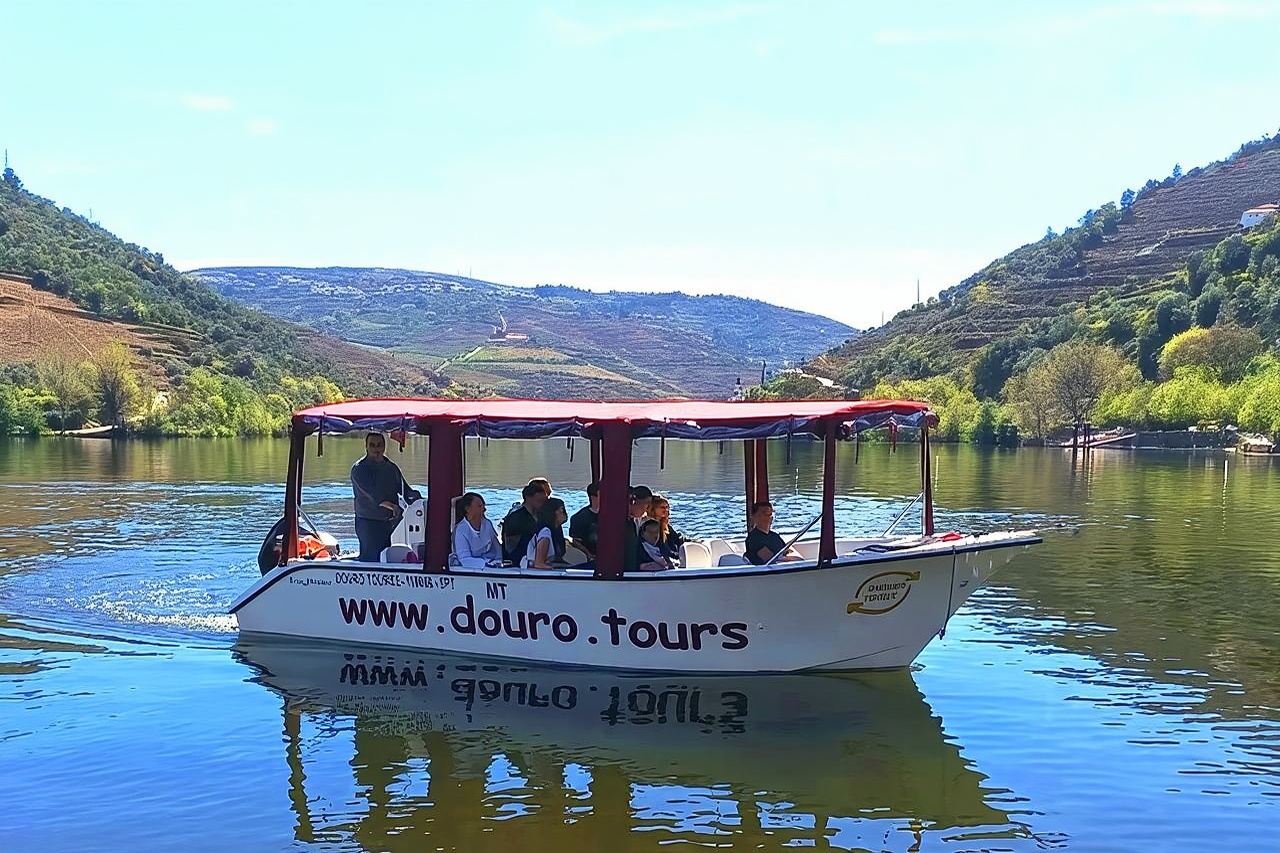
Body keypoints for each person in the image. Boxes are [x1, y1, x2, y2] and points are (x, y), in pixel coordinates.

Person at [351, 431, 422, 562]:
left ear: (384, 446)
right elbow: (374, 496)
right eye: (372, 445)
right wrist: (394, 507)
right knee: (370, 559)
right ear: (366, 447)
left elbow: (405, 490)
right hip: (368, 522)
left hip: (388, 522)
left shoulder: (391, 468)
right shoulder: (359, 469)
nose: (376, 449)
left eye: (379, 445)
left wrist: (420, 501)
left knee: (384, 557)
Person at [745, 500, 802, 565]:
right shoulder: (754, 539)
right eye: (764, 513)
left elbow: (786, 551)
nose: (767, 517)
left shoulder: (775, 536)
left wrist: (795, 558)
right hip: (769, 570)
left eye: (770, 514)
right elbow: (770, 560)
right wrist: (797, 560)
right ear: (754, 517)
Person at [452, 492, 501, 567]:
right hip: (471, 569)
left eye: (484, 506)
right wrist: (486, 564)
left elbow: (497, 549)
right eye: (480, 506)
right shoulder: (460, 530)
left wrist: (499, 562)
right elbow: (464, 559)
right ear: (467, 509)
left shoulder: (487, 524)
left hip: (493, 566)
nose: (484, 509)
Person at [502, 482, 547, 564]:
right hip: (519, 561)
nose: (542, 504)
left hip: (537, 558)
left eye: (544, 501)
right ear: (528, 498)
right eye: (539, 501)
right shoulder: (516, 518)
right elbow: (510, 547)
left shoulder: (542, 515)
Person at [524, 497, 568, 568]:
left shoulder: (556, 530)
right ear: (554, 512)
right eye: (562, 509)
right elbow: (539, 564)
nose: (564, 512)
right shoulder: (545, 532)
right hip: (534, 570)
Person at [622, 485, 654, 572]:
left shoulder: (634, 522)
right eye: (646, 504)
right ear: (634, 501)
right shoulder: (620, 523)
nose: (647, 509)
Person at [649, 494, 689, 562]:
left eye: (667, 507)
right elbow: (663, 548)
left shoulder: (664, 524)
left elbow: (676, 539)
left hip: (672, 556)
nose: (666, 510)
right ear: (653, 508)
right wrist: (676, 556)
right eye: (662, 507)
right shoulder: (651, 526)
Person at [568, 482, 600, 557]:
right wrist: (588, 554)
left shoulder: (612, 516)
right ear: (593, 497)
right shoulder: (579, 518)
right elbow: (576, 541)